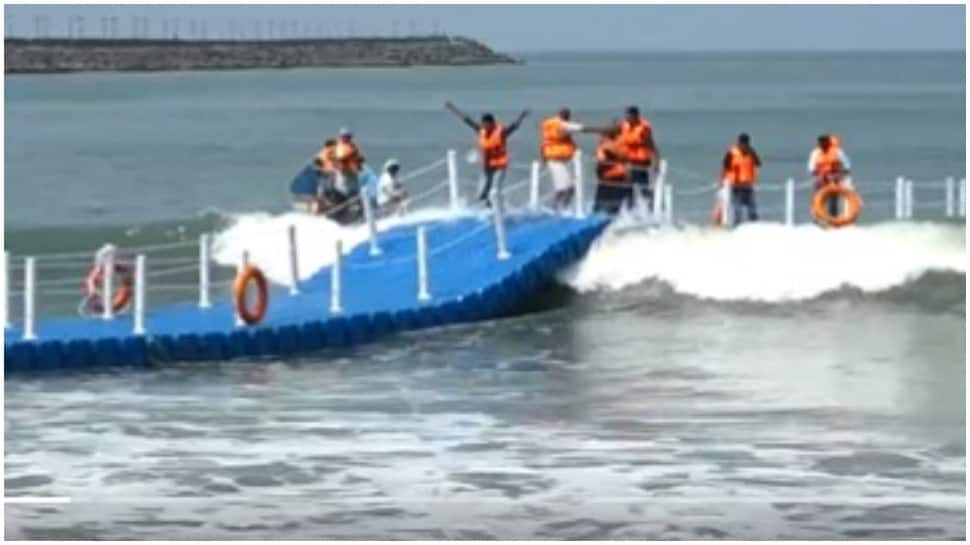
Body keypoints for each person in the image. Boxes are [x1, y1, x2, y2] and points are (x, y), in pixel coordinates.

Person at [445, 101, 529, 207]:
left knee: (494, 187)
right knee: (486, 187)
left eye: (487, 124)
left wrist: (522, 116)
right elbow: (468, 121)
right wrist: (453, 109)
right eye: (484, 124)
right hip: (488, 165)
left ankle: (495, 205)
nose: (485, 126)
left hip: (500, 165)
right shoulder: (481, 131)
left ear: (492, 123)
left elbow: (513, 127)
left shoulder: (501, 132)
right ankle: (487, 204)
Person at [540, 108, 585, 211]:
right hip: (555, 160)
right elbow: (583, 129)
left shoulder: (550, 124)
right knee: (565, 189)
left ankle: (560, 208)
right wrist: (606, 130)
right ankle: (556, 209)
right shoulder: (562, 125)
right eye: (566, 115)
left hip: (558, 159)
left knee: (569, 189)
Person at [618, 106, 660, 207]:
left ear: (636, 116)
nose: (627, 118)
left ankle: (651, 207)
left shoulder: (643, 128)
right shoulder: (624, 126)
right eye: (626, 116)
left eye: (629, 116)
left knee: (642, 187)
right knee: (627, 186)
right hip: (628, 161)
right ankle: (629, 208)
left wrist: (656, 162)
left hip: (641, 161)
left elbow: (651, 145)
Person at [721, 133, 762, 225]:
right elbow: (725, 167)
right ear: (739, 143)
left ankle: (754, 226)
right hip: (736, 185)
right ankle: (737, 226)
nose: (744, 146)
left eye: (746, 144)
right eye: (742, 143)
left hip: (748, 185)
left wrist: (752, 155)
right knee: (737, 209)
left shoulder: (751, 152)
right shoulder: (731, 153)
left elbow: (758, 163)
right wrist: (723, 182)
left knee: (752, 208)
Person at [808, 134, 851, 217]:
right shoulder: (815, 152)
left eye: (825, 142)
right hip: (820, 177)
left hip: (833, 177)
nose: (823, 145)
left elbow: (846, 163)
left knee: (833, 199)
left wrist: (844, 172)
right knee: (818, 198)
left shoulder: (837, 151)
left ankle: (833, 217)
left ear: (829, 142)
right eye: (821, 143)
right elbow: (811, 165)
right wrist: (815, 173)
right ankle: (818, 217)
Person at [593, 125, 632, 214]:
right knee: (618, 201)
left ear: (605, 136)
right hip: (621, 175)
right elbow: (626, 159)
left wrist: (598, 171)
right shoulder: (621, 146)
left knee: (601, 201)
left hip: (608, 176)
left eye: (601, 136)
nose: (599, 138)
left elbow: (601, 160)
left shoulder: (604, 147)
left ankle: (598, 216)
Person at [333, 128, 364, 200]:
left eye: (349, 136)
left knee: (354, 191)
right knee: (343, 190)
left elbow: (359, 157)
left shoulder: (352, 146)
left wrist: (359, 160)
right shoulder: (339, 146)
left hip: (353, 173)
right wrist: (350, 154)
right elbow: (340, 157)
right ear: (342, 137)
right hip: (344, 173)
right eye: (346, 136)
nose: (349, 138)